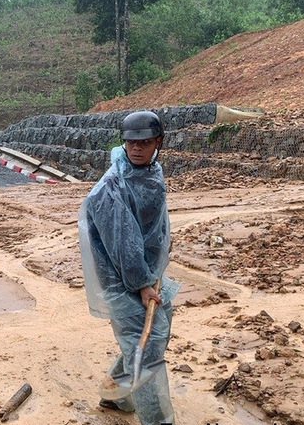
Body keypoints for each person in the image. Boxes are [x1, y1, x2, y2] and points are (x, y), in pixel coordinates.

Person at [78, 110, 179, 425]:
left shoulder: (151, 171)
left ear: (157, 142)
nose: (136, 148)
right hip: (123, 279)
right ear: (123, 143)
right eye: (130, 142)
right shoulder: (112, 187)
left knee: (148, 338)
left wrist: (161, 253)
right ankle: (157, 420)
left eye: (144, 142)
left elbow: (156, 220)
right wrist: (142, 284)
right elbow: (123, 245)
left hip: (147, 273)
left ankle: (118, 396)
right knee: (147, 351)